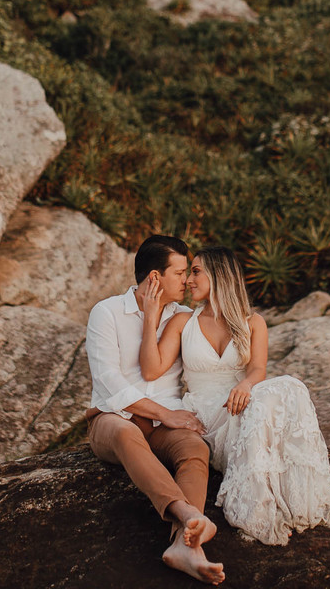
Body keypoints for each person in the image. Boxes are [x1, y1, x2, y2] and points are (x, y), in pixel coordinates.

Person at [139, 245, 330, 546]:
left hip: (245, 401)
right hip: (209, 410)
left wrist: (245, 385)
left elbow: (258, 369)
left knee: (289, 385)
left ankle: (295, 496)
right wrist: (150, 317)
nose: (188, 280)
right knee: (273, 394)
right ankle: (258, 507)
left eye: (196, 272)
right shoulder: (183, 323)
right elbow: (151, 370)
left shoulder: (252, 322)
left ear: (219, 275)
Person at [84, 234, 226, 585]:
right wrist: (163, 414)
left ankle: (185, 545)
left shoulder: (184, 317)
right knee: (125, 431)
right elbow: (109, 382)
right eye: (180, 273)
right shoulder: (107, 312)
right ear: (154, 278)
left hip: (167, 419)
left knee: (195, 447)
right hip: (111, 418)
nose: (187, 281)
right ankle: (185, 512)